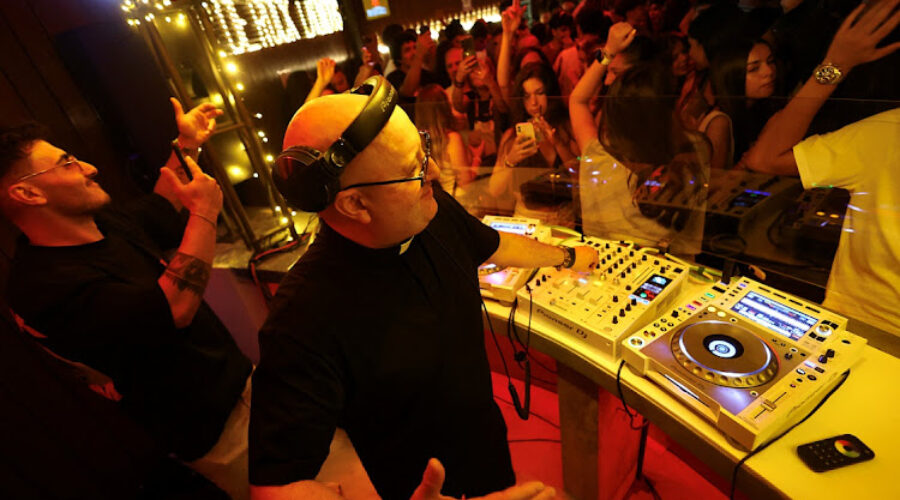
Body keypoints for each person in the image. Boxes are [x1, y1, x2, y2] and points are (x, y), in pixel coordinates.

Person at [249, 78, 598, 499]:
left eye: (424, 149)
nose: (433, 172)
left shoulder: (430, 207)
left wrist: (566, 258)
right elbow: (277, 488)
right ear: (355, 205)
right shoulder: (301, 318)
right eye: (413, 170)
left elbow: (491, 243)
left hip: (487, 445)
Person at [0, 99, 254, 499]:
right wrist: (205, 214)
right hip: (213, 431)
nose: (89, 167)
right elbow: (174, 309)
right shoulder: (42, 289)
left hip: (242, 380)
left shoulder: (98, 221)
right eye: (67, 163)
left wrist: (185, 145)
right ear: (28, 192)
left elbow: (162, 203)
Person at [739, 0, 900, 335]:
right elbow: (764, 157)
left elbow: (765, 156)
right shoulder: (888, 133)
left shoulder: (888, 133)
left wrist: (836, 65)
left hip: (860, 325)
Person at [571, 22, 710, 258]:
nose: (606, 81)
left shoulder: (599, 156)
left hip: (602, 268)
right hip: (675, 273)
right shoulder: (695, 149)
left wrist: (608, 51)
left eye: (614, 73)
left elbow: (577, 100)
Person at [489, 63, 580, 225]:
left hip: (563, 217)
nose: (533, 103)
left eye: (539, 93)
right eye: (526, 96)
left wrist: (558, 143)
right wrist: (510, 160)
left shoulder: (566, 127)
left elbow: (580, 177)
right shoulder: (512, 136)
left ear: (550, 94)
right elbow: (494, 189)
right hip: (527, 217)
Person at [708, 39, 780, 166]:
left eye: (771, 61)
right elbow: (713, 181)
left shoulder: (764, 111)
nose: (769, 71)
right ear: (732, 76)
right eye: (754, 69)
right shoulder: (720, 123)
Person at [415, 84, 472, 193]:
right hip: (454, 203)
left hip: (434, 204)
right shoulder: (451, 139)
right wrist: (477, 159)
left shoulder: (417, 141)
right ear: (444, 107)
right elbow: (466, 184)